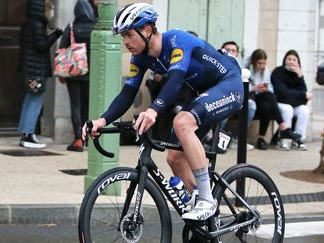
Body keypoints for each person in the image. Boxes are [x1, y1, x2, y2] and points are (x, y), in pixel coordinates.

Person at [82, 3, 244, 221]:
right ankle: (203, 206)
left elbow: (175, 82)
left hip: (229, 85)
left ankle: (207, 200)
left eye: (129, 34)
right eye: (123, 36)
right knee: (175, 158)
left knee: (182, 122)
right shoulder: (140, 58)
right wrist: (102, 120)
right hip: (203, 94)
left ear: (147, 30)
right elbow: (128, 92)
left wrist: (153, 111)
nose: (125, 42)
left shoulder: (178, 41)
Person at [18, 0, 63, 148]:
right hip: (36, 70)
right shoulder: (37, 25)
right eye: (49, 8)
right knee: (35, 102)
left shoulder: (28, 23)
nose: (50, 12)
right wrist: (56, 34)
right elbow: (41, 45)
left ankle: (25, 134)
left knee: (29, 100)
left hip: (30, 69)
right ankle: (29, 135)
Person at [58, 0, 98, 152]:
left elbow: (62, 48)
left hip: (73, 73)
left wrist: (62, 74)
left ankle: (77, 139)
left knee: (75, 105)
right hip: (91, 75)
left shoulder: (72, 27)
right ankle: (85, 137)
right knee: (86, 107)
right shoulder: (95, 27)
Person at [246, 49, 301, 150]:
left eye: (264, 63)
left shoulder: (265, 70)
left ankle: (261, 139)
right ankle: (283, 126)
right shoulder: (247, 70)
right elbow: (242, 88)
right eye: (259, 63)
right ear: (254, 61)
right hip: (250, 97)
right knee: (269, 97)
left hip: (263, 98)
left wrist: (265, 88)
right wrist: (254, 88)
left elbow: (271, 88)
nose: (261, 66)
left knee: (266, 106)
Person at [219, 41, 256, 151]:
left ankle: (237, 139)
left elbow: (249, 86)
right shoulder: (216, 64)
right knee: (224, 103)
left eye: (233, 50)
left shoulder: (242, 69)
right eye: (227, 50)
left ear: (237, 54)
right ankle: (216, 138)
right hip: (221, 97)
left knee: (251, 105)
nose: (230, 52)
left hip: (238, 97)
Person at [271, 49, 311, 150]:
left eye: (294, 60)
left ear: (298, 62)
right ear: (285, 60)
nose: (291, 61)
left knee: (304, 110)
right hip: (279, 103)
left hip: (292, 104)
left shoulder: (298, 75)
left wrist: (300, 76)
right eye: (289, 59)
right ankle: (284, 139)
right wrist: (301, 95)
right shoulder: (278, 72)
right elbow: (282, 93)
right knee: (288, 109)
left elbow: (305, 99)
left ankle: (298, 139)